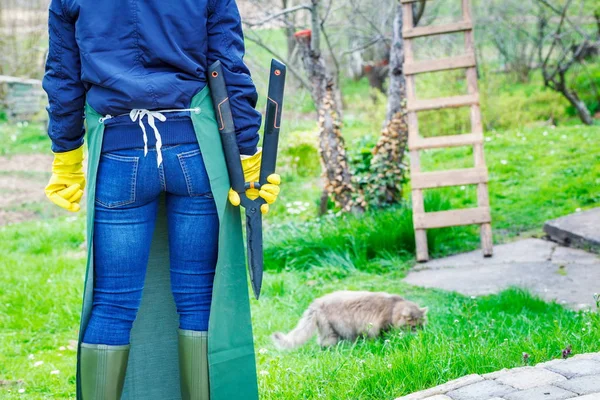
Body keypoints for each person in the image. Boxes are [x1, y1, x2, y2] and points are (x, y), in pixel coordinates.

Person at [42, 0, 281, 399]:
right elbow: (229, 67)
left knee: (113, 302)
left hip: (119, 154)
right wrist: (246, 155)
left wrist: (66, 157)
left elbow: (63, 77)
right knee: (198, 296)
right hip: (193, 151)